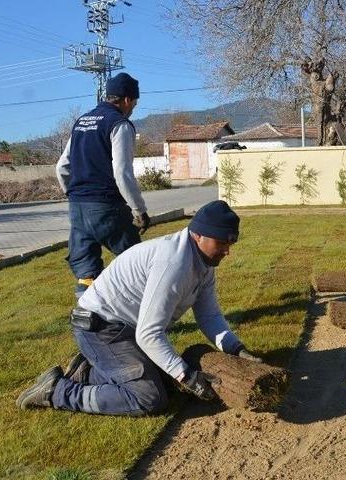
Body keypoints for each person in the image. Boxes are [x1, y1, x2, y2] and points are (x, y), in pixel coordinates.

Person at [16, 200, 261, 416]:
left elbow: (209, 316)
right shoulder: (174, 263)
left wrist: (237, 349)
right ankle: (57, 391)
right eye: (221, 242)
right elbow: (149, 334)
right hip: (101, 329)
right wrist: (187, 377)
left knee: (166, 383)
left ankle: (88, 372)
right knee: (148, 397)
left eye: (231, 243)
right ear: (198, 235)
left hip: (123, 328)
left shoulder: (203, 263)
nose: (227, 251)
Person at [56, 72, 150, 298]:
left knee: (86, 272)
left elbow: (62, 167)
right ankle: (144, 313)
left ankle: (88, 313)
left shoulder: (81, 123)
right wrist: (139, 210)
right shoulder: (119, 124)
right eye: (134, 103)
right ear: (126, 99)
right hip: (106, 207)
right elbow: (122, 173)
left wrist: (75, 195)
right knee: (136, 263)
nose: (133, 108)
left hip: (78, 208)